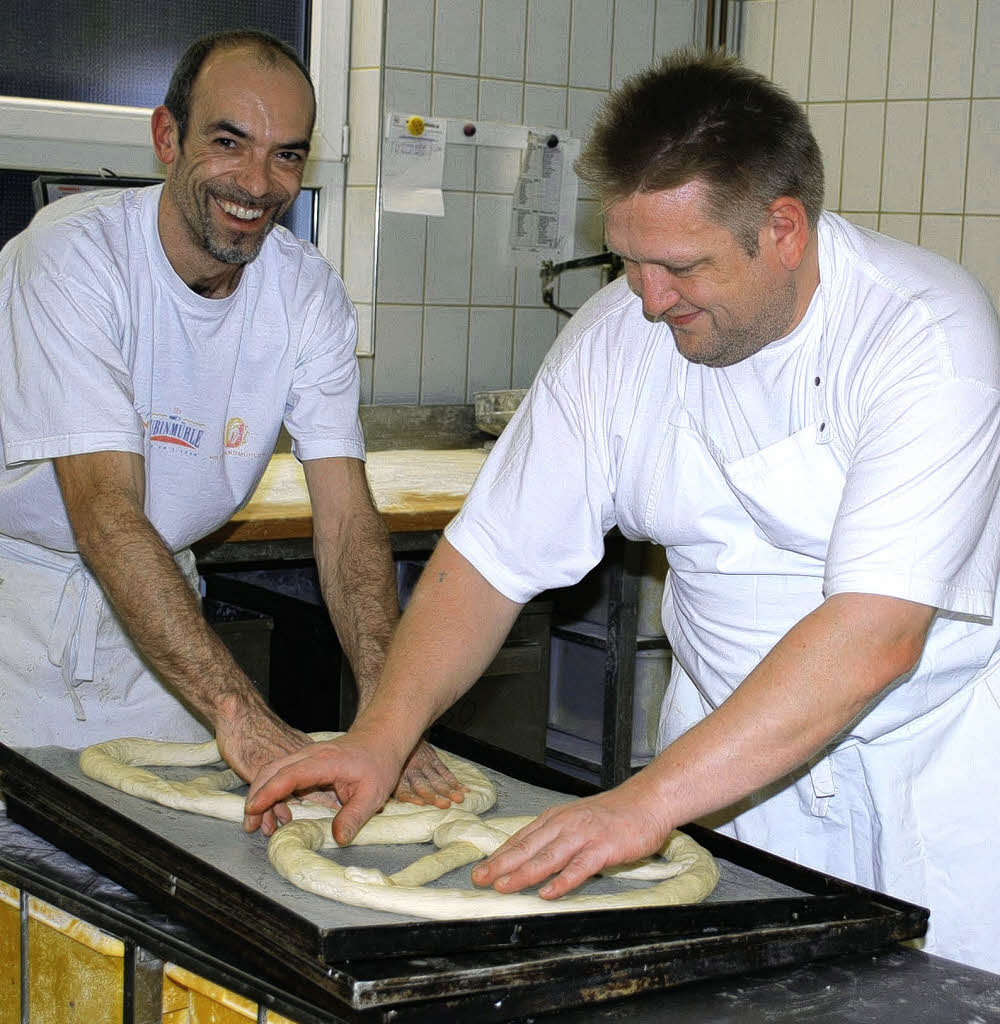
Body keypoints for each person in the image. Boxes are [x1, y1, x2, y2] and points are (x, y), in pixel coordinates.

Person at [244, 49, 1000, 971]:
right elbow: (486, 564)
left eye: (680, 266)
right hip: (724, 770)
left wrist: (638, 802)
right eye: (629, 260)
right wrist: (381, 736)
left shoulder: (920, 332)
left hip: (930, 766)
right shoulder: (620, 334)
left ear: (785, 230)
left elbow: (873, 632)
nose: (648, 299)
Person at [0, 29, 461, 811]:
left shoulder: (305, 293)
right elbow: (107, 514)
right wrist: (239, 711)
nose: (258, 182)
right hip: (17, 611)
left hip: (157, 628)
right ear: (166, 137)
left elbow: (346, 518)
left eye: (287, 154)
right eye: (228, 142)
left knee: (167, 882)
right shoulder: (74, 259)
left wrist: (390, 711)